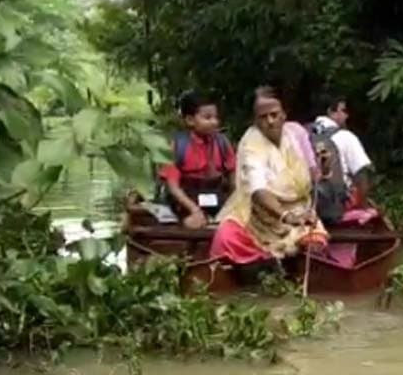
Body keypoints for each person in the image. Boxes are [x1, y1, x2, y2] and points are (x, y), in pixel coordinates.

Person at [210, 88, 328, 265]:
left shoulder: (297, 133)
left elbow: (314, 175)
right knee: (226, 236)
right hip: (259, 216)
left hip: (300, 211)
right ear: (255, 120)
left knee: (315, 245)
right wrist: (287, 216)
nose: (270, 121)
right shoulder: (251, 143)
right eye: (263, 117)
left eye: (274, 114)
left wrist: (324, 166)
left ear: (284, 115)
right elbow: (258, 191)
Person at [157, 91, 235, 229]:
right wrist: (194, 210)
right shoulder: (178, 145)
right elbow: (173, 187)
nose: (214, 122)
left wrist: (231, 208)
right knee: (190, 223)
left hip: (216, 197)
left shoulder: (222, 142)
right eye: (207, 117)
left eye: (215, 117)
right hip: (185, 201)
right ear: (190, 120)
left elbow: (234, 182)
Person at [309, 95, 374, 222]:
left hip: (305, 207)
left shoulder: (302, 133)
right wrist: (364, 207)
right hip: (335, 209)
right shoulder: (346, 136)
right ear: (330, 111)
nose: (347, 116)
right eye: (343, 111)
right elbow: (361, 173)